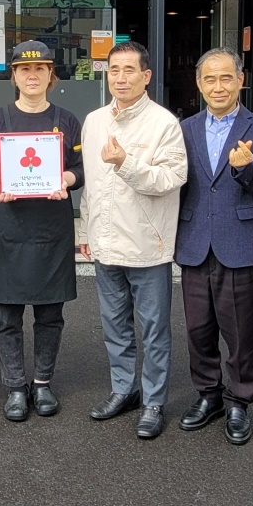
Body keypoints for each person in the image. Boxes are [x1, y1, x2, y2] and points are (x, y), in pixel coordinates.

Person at [78, 40, 187, 440]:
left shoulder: (163, 123)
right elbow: (91, 185)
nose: (120, 78)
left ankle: (154, 400)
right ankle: (123, 388)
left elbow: (171, 179)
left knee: (154, 328)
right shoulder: (93, 121)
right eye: (114, 70)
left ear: (146, 76)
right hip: (105, 243)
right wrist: (87, 230)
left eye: (129, 70)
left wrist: (126, 163)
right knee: (115, 325)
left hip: (147, 245)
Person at [0, 40, 84, 422]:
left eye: (40, 69)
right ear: (14, 75)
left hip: (51, 229)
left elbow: (81, 167)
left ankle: (42, 383)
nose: (32, 75)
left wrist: (67, 177)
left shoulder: (67, 120)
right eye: (24, 69)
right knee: (7, 316)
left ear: (51, 76)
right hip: (8, 229)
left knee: (50, 314)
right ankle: (15, 387)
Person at [175, 48, 253, 445]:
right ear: (199, 84)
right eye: (209, 79)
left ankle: (239, 401)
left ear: (240, 79)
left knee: (240, 332)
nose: (218, 86)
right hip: (195, 241)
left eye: (226, 78)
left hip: (239, 243)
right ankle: (208, 395)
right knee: (198, 330)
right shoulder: (184, 128)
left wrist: (245, 167)